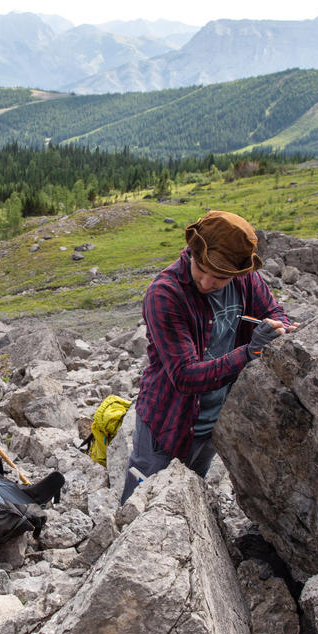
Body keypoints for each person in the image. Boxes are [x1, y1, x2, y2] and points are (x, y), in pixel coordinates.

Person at [119, 210, 296, 503]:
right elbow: (185, 375)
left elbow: (273, 311)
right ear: (192, 252)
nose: (206, 282)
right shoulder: (165, 294)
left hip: (212, 423)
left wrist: (280, 328)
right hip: (167, 425)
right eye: (201, 268)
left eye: (220, 277)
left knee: (187, 497)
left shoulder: (246, 280)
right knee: (142, 502)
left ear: (237, 273)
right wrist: (249, 353)